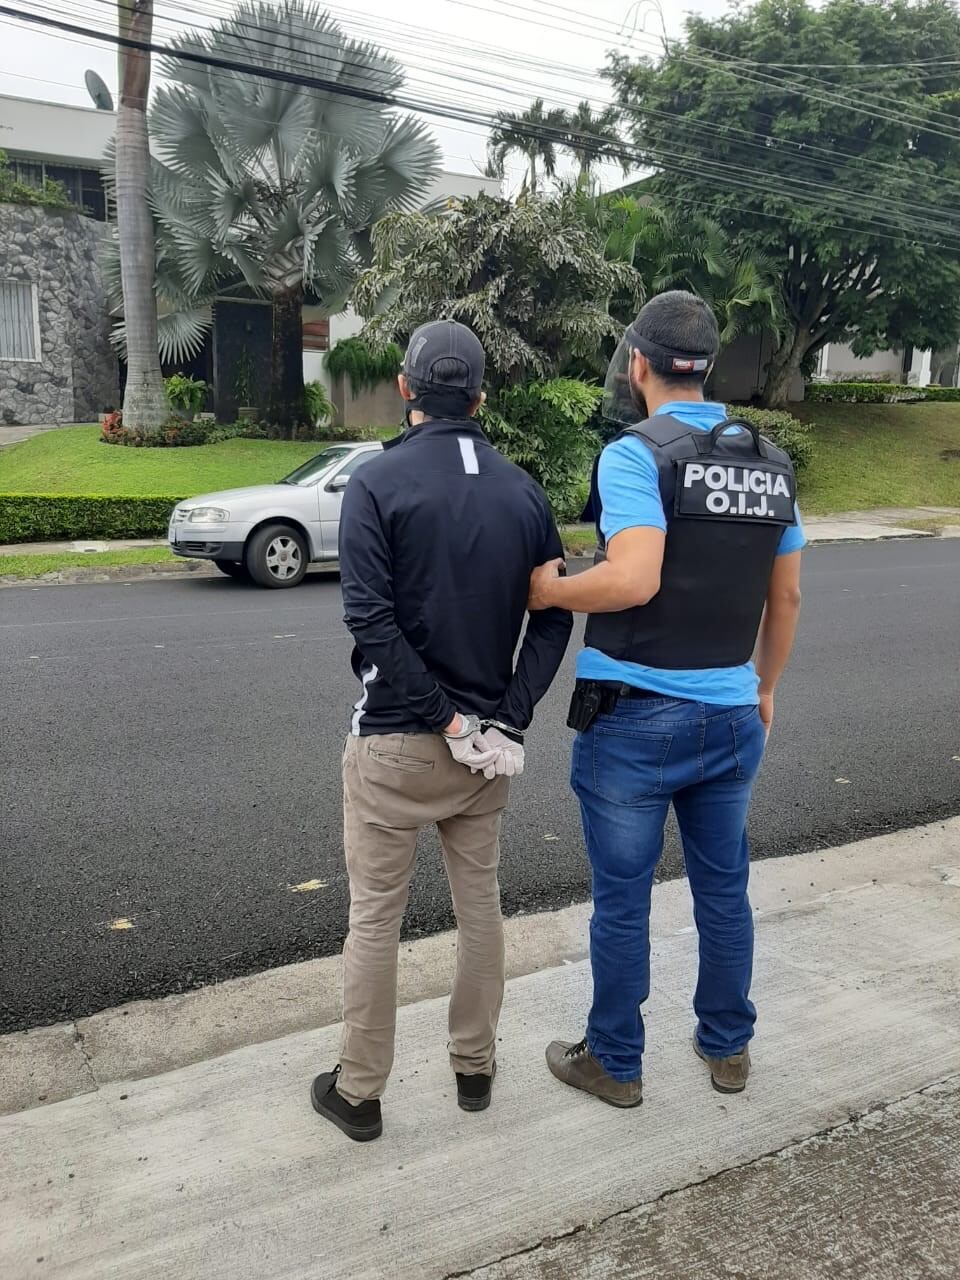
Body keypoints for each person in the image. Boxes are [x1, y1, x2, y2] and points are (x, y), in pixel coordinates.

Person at [528, 290, 804, 1108]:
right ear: (707, 367)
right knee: (723, 888)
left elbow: (634, 578)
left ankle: (615, 1063)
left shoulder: (634, 455)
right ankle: (728, 1047)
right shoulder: (771, 463)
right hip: (732, 712)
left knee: (623, 902)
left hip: (635, 718)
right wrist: (765, 688)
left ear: (639, 365)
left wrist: (552, 591)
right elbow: (786, 598)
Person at [311, 319, 573, 1142]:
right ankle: (474, 1067)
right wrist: (505, 717)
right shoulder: (522, 491)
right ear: (481, 397)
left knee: (375, 919)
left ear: (405, 389)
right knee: (480, 908)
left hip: (395, 743)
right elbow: (555, 615)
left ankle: (360, 1091)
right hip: (484, 756)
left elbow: (370, 619)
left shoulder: (376, 482)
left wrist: (446, 717)